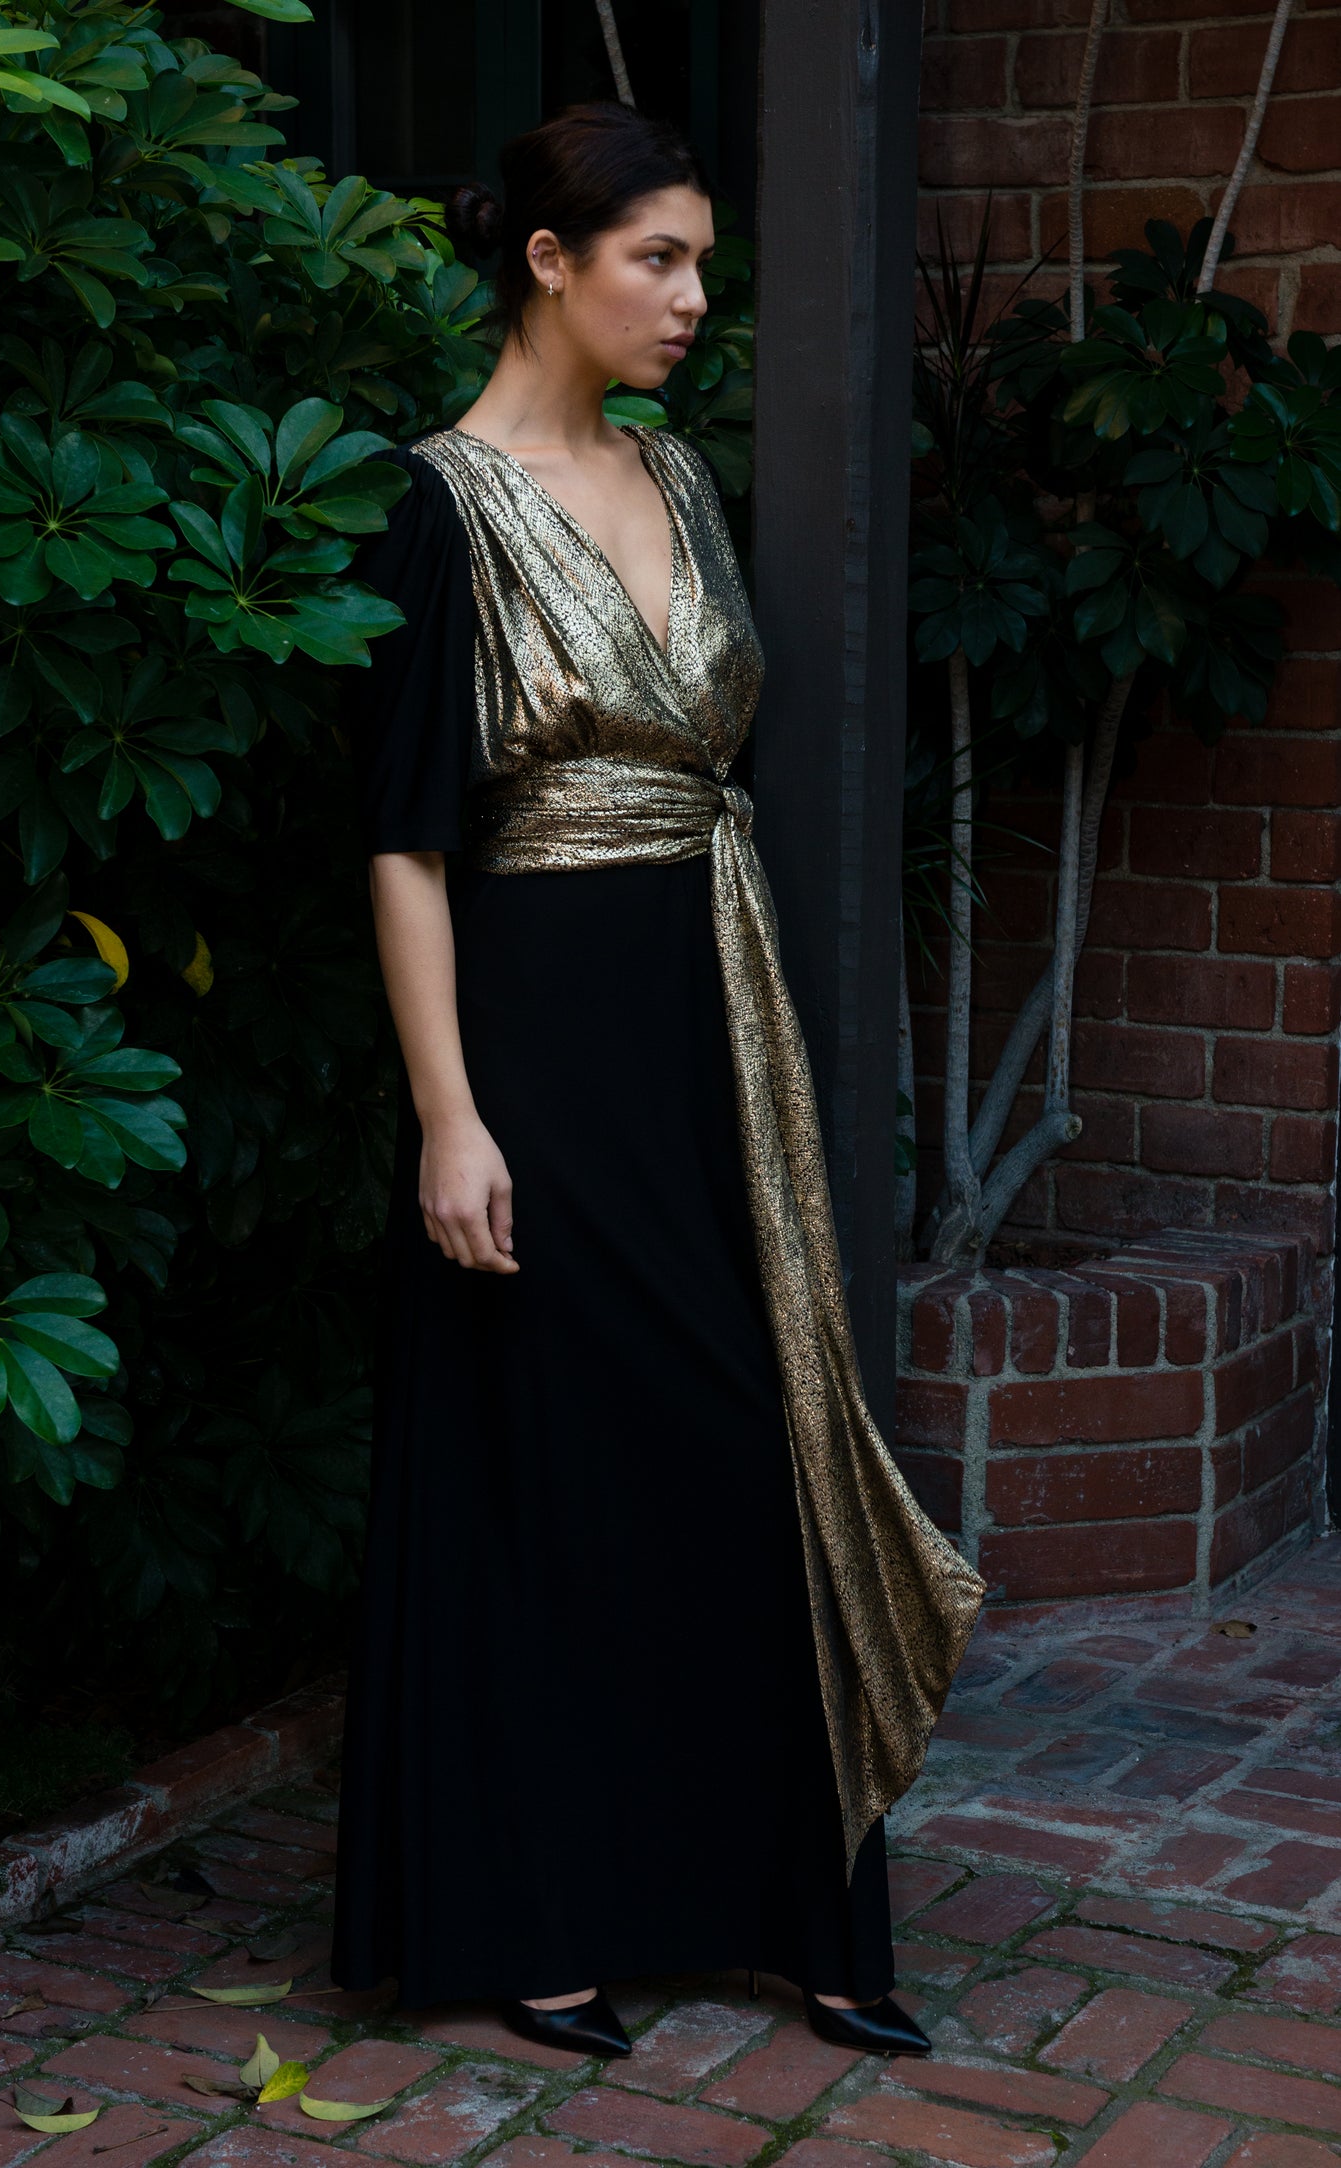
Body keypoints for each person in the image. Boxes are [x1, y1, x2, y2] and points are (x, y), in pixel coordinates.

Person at [330, 100, 984, 2062]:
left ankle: (793, 1902)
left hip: (715, 1015)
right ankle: (544, 1912)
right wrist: (451, 1112)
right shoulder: (432, 503)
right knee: (562, 1464)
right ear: (548, 260)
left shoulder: (684, 480)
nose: (698, 299)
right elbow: (405, 840)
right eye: (659, 260)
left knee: (748, 1432)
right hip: (539, 1028)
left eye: (702, 260)